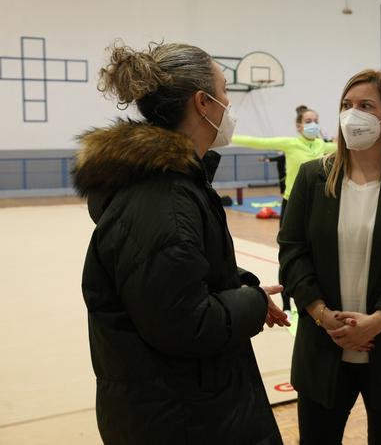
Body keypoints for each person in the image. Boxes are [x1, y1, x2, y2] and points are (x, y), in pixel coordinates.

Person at [73, 41, 287, 444]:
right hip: (182, 417)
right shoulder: (163, 198)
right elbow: (184, 323)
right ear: (203, 103)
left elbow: (171, 269)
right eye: (225, 91)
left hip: (184, 405)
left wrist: (239, 283)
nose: (229, 102)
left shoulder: (171, 185)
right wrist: (252, 303)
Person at [278, 69, 381, 445]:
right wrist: (322, 316)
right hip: (323, 345)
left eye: (365, 105)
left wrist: (376, 323)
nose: (352, 114)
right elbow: (292, 252)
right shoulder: (311, 178)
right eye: (346, 105)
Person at [233, 105, 336, 310]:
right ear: (299, 126)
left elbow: (348, 146)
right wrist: (228, 136)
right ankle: (286, 303)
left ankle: (312, 299)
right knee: (289, 254)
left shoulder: (322, 146)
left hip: (316, 205)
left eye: (315, 120)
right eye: (308, 121)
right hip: (292, 204)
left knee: (316, 253)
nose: (313, 124)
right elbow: (259, 143)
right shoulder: (290, 143)